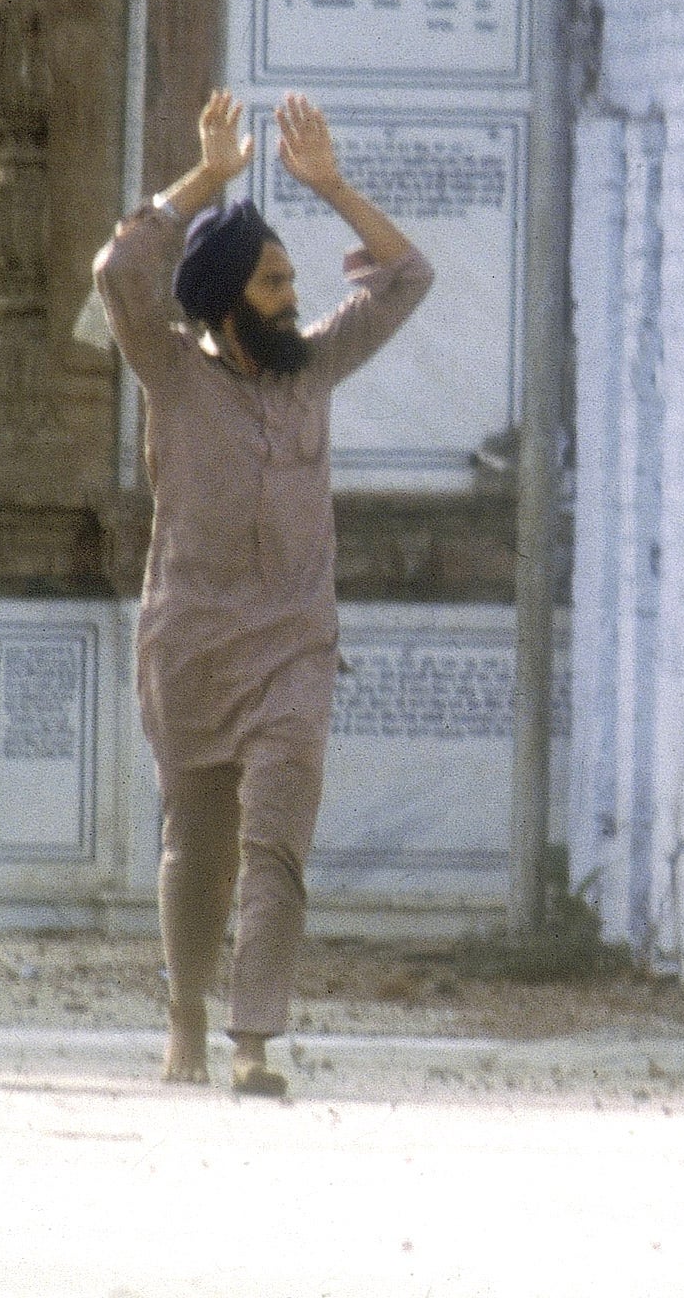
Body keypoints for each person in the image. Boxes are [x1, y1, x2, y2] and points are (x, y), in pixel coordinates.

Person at [94, 89, 433, 1094]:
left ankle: (252, 1040)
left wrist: (328, 185)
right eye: (275, 283)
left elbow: (406, 277)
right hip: (190, 647)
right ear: (227, 299)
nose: (293, 296)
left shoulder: (312, 370)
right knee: (194, 849)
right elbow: (118, 269)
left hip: (293, 647)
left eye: (291, 280)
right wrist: (205, 178)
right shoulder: (170, 370)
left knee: (275, 841)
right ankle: (188, 1017)